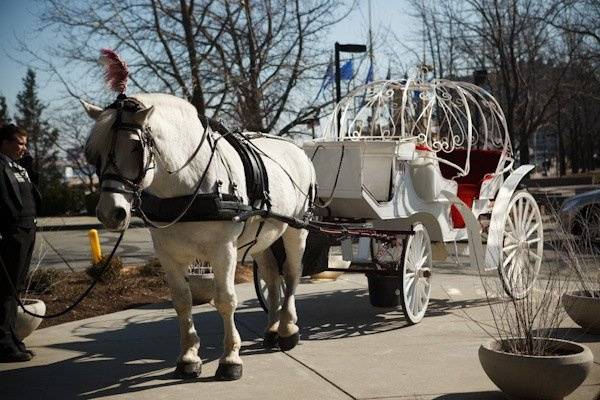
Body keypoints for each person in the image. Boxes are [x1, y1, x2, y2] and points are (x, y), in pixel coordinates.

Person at [0, 124, 41, 362]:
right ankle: (4, 345)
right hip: (9, 233)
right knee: (4, 290)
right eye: (18, 143)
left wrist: (30, 167)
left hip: (27, 230)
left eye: (25, 143)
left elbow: (33, 193)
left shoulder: (19, 167)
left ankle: (13, 338)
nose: (23, 148)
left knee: (14, 290)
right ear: (3, 142)